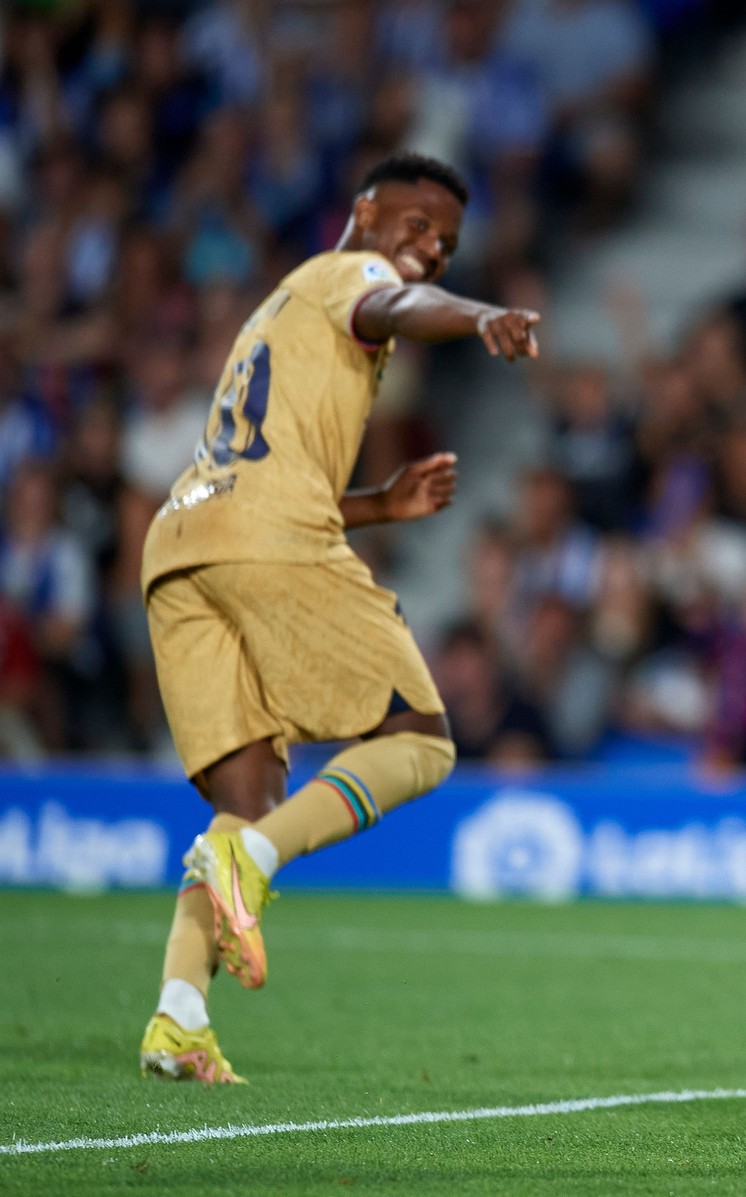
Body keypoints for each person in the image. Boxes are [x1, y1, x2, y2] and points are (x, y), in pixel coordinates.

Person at [137, 153, 542, 1084]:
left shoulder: (277, 308)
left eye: (446, 242)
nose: (431, 248)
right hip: (268, 537)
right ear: (363, 210)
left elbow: (264, 462)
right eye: (417, 223)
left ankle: (179, 1014)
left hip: (184, 543)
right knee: (422, 739)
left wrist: (378, 505)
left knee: (243, 804)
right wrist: (481, 315)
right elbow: (391, 304)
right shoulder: (349, 276)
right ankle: (259, 863)